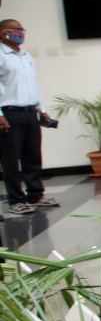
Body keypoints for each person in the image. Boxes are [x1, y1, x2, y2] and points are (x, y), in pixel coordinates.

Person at [0, 19, 58, 214]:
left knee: (32, 155)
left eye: (21, 29)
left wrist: (41, 109)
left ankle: (35, 195)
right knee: (10, 159)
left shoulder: (26, 56)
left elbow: (32, 85)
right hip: (9, 114)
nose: (20, 32)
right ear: (2, 33)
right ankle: (16, 200)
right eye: (15, 29)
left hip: (30, 112)